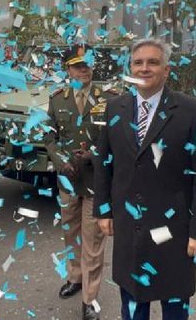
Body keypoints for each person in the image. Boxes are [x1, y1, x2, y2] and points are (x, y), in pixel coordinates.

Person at [93, 38, 196, 320]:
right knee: (133, 306)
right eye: (138, 63)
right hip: (129, 227)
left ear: (166, 69)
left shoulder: (192, 110)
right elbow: (104, 162)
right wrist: (103, 210)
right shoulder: (115, 108)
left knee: (174, 307)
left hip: (174, 231)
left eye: (152, 62)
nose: (144, 68)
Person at [44, 44, 117, 320]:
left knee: (93, 239)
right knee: (71, 233)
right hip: (69, 179)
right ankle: (75, 277)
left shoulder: (109, 97)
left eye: (86, 65)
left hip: (96, 178)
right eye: (77, 65)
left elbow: (116, 138)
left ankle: (89, 297)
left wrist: (94, 155)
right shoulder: (57, 98)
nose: (83, 70)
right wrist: (62, 161)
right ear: (68, 69)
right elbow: (49, 137)